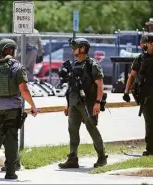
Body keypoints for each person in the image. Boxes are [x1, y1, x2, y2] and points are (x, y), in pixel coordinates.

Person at [0, 38, 38, 179]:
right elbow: (24, 90)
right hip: (13, 109)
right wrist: (33, 106)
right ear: (12, 50)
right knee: (11, 139)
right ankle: (10, 172)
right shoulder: (17, 67)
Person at [58, 38, 108, 169]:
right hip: (74, 103)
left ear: (82, 48)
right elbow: (70, 88)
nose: (73, 49)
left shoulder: (93, 65)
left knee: (92, 128)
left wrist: (97, 102)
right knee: (72, 130)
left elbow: (100, 86)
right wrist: (68, 105)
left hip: (89, 103)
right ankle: (72, 158)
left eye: (75, 47)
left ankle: (102, 157)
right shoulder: (74, 65)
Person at [123, 32, 153, 156]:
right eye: (150, 42)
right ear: (146, 44)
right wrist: (126, 92)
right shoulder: (140, 58)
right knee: (149, 122)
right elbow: (132, 75)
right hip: (144, 95)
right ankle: (150, 149)